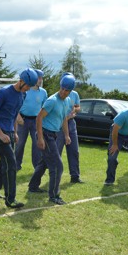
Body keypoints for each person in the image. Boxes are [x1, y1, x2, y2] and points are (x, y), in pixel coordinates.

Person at [0, 68, 38, 208]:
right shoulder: (4, 93)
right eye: (27, 85)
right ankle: (11, 199)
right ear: (21, 81)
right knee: (11, 163)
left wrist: (15, 132)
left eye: (30, 86)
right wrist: (0, 134)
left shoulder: (23, 95)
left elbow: (15, 114)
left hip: (9, 130)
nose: (28, 89)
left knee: (4, 162)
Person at [35, 73, 75, 205]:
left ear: (71, 91)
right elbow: (39, 117)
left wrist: (67, 135)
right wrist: (40, 138)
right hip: (45, 134)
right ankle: (54, 195)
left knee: (45, 162)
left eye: (67, 90)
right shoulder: (52, 100)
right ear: (60, 87)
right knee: (57, 166)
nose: (64, 92)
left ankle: (33, 186)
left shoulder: (67, 101)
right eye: (62, 88)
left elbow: (64, 118)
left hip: (53, 134)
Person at [15, 69, 48, 177]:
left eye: (41, 78)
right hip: (23, 120)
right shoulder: (25, 90)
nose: (40, 80)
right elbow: (17, 104)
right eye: (39, 78)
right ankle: (16, 165)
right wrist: (18, 116)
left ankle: (37, 168)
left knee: (37, 145)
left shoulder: (43, 92)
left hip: (36, 121)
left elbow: (45, 108)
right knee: (19, 144)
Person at [56, 72, 83, 183]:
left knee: (74, 151)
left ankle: (75, 176)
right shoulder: (58, 95)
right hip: (60, 124)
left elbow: (78, 107)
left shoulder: (75, 94)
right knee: (57, 151)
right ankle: (56, 175)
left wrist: (74, 110)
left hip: (71, 123)